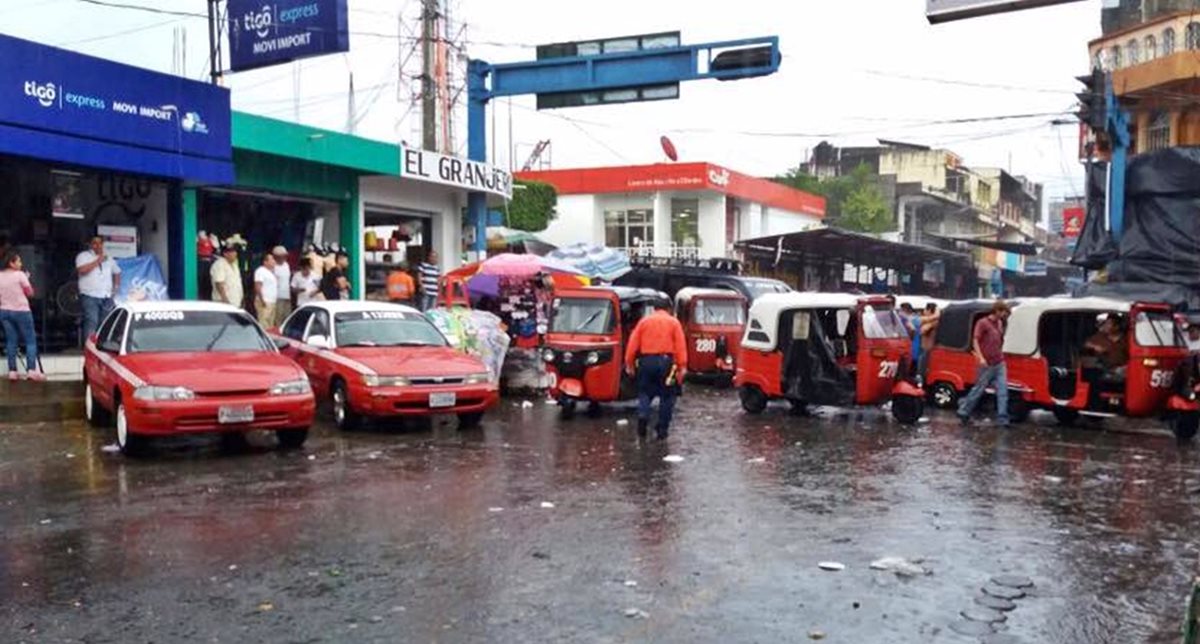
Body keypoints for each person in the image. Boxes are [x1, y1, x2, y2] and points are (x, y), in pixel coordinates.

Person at [624, 302, 689, 440]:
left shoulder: (644, 322)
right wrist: (682, 366)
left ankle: (643, 416)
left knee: (644, 392)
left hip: (646, 361)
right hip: (666, 363)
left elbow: (632, 345)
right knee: (667, 396)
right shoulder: (674, 323)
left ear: (654, 309)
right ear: (669, 309)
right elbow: (680, 346)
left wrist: (629, 364)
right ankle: (662, 429)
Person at [957, 300, 1012, 426]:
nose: (1005, 315)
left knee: (1003, 390)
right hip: (986, 363)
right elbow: (975, 340)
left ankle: (1003, 418)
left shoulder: (999, 323)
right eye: (1004, 312)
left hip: (999, 362)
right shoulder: (982, 323)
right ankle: (964, 410)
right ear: (997, 311)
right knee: (979, 389)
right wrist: (981, 357)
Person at [0, 251, 43, 381]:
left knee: (11, 341)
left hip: (4, 311)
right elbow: (30, 293)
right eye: (18, 261)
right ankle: (31, 370)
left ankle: (12, 371)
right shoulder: (20, 275)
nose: (21, 263)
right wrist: (26, 279)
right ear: (11, 263)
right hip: (21, 311)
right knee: (30, 340)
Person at [76, 235, 122, 341]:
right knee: (92, 321)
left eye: (100, 243)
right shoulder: (83, 256)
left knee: (105, 323)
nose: (98, 246)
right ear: (90, 245)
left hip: (106, 296)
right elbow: (82, 270)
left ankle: (102, 346)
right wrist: (97, 261)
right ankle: (90, 347)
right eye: (95, 243)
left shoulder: (108, 258)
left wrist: (115, 289)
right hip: (89, 295)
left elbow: (117, 272)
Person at [210, 242, 244, 308]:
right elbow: (219, 283)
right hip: (223, 303)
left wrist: (241, 298)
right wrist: (225, 300)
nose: (235, 254)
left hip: (235, 302)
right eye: (232, 252)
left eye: (235, 251)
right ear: (225, 254)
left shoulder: (235, 265)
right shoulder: (220, 264)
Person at [918, 303, 941, 382]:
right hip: (924, 349)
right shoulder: (928, 320)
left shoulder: (935, 322)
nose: (923, 311)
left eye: (925, 309)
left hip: (928, 350)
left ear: (929, 310)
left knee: (922, 370)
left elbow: (923, 330)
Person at [253, 253, 278, 326]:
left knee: (270, 324)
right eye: (272, 259)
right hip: (265, 301)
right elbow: (258, 286)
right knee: (263, 322)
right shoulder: (260, 271)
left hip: (272, 301)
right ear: (265, 262)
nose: (274, 261)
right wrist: (262, 300)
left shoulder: (271, 272)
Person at [271, 245, 293, 327]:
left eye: (285, 256)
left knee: (287, 317)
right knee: (278, 318)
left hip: (287, 296)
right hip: (277, 297)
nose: (284, 258)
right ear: (276, 257)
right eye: (282, 256)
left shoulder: (286, 265)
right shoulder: (273, 267)